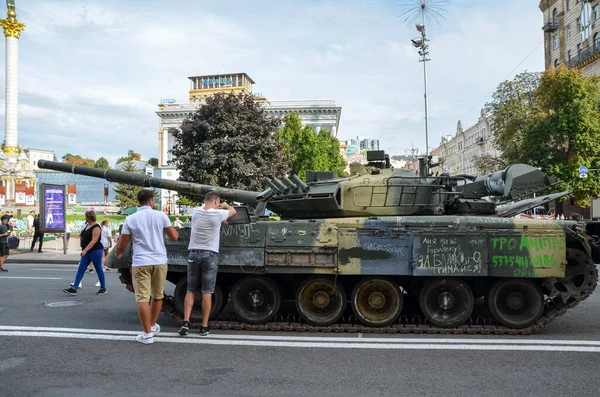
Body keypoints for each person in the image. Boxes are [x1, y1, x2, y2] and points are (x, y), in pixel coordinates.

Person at [116, 189, 178, 345]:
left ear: (139, 201)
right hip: (159, 261)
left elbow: (122, 243)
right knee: (158, 296)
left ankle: (147, 334)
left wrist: (119, 252)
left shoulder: (131, 218)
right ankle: (152, 325)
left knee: (142, 298)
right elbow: (174, 236)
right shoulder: (161, 215)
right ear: (151, 200)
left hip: (141, 262)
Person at [179, 192, 236, 337]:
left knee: (190, 290)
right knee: (207, 292)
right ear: (216, 202)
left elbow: (206, 209)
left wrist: (217, 208)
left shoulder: (196, 212)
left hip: (193, 253)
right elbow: (234, 211)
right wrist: (225, 206)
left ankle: (185, 322)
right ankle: (204, 326)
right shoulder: (218, 215)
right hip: (209, 255)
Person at [62, 210, 106, 296]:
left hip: (95, 250)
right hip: (87, 251)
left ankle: (103, 288)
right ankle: (74, 288)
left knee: (98, 268)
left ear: (89, 217)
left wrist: (85, 250)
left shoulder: (96, 227)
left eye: (86, 216)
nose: (85, 218)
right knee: (81, 268)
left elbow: (94, 240)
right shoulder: (87, 225)